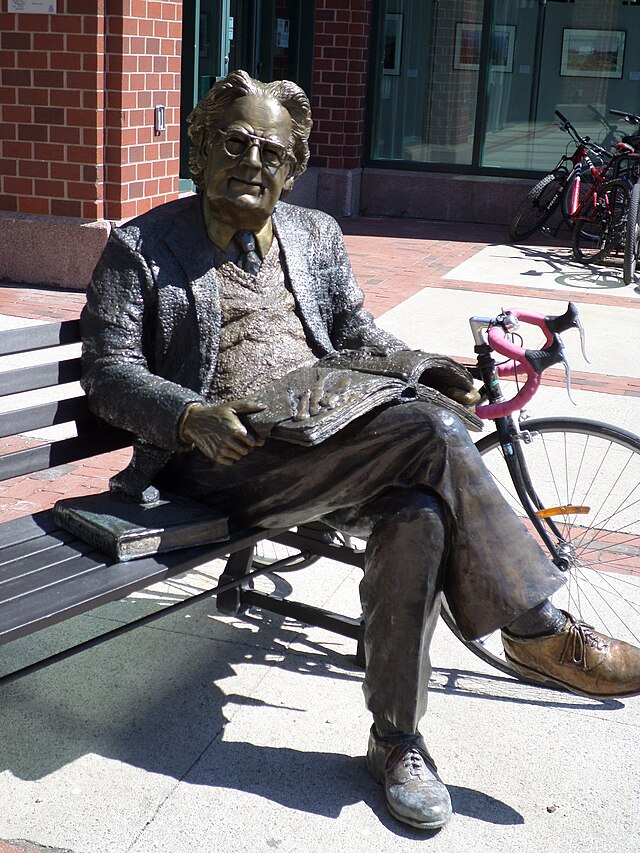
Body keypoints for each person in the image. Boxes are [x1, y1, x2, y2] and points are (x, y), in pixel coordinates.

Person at [81, 70, 640, 831]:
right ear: (200, 147)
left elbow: (358, 337)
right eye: (235, 143)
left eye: (271, 152)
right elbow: (109, 374)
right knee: (433, 432)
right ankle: (535, 628)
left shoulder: (314, 236)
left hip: (329, 441)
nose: (252, 162)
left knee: (420, 513)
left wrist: (422, 365)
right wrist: (190, 416)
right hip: (219, 462)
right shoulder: (139, 249)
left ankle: (397, 741)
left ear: (293, 166)